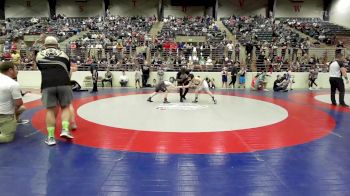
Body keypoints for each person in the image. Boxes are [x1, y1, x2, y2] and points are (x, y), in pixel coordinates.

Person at [36, 36, 74, 146]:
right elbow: (67, 70)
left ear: (44, 45)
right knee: (65, 107)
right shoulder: (64, 54)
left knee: (50, 110)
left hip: (47, 84)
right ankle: (65, 129)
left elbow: (41, 68)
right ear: (57, 44)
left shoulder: (39, 55)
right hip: (64, 83)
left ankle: (51, 137)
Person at [0, 61, 25, 143]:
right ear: (10, 70)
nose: (17, 71)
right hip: (4, 115)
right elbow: (19, 103)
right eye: (16, 68)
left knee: (22, 108)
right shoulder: (13, 84)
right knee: (7, 137)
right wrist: (13, 112)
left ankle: (14, 120)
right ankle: (11, 121)